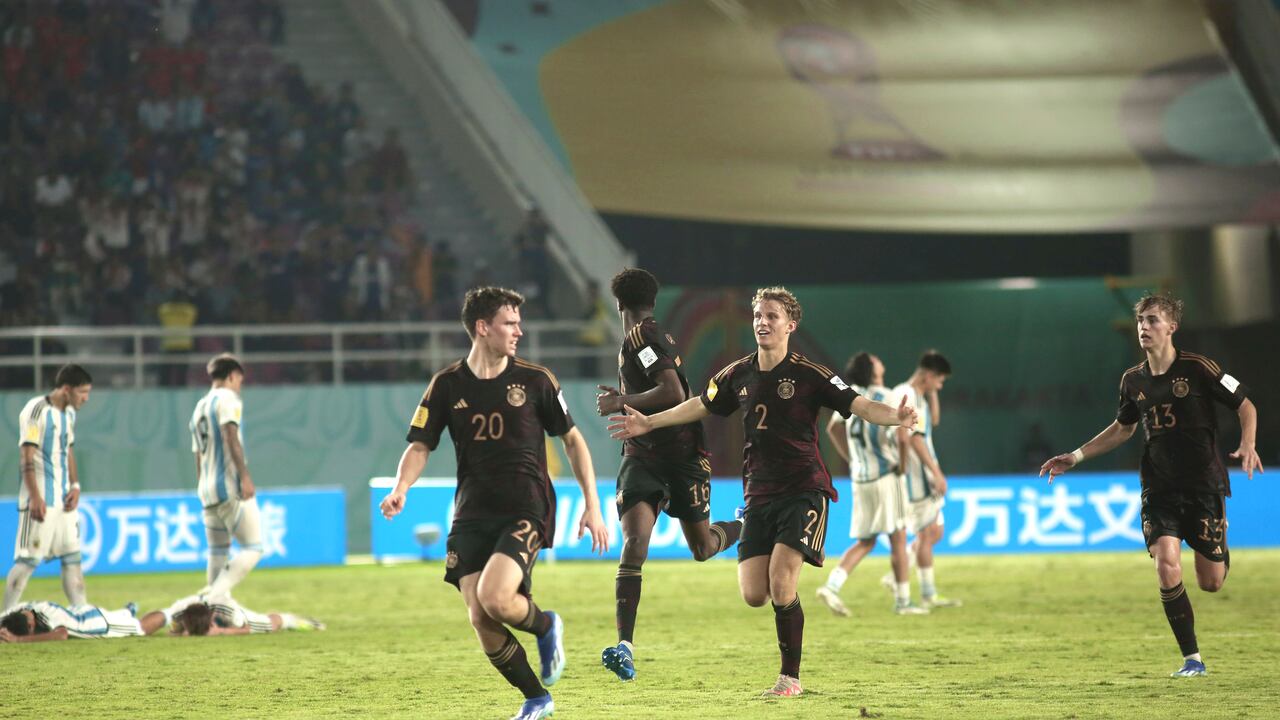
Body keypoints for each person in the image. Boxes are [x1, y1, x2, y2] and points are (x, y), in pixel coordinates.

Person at [609, 287, 916, 698]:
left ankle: (790, 678)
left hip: (804, 489)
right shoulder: (739, 373)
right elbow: (700, 403)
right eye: (758, 315)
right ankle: (753, 553)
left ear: (790, 325)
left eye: (771, 316)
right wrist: (651, 423)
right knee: (755, 594)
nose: (762, 322)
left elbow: (859, 405)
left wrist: (896, 417)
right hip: (758, 494)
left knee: (782, 582)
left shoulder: (812, 374)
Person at [379, 287, 610, 720]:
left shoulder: (537, 380)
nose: (519, 331)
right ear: (482, 328)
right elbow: (420, 445)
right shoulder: (446, 385)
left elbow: (573, 440)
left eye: (519, 323)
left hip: (526, 506)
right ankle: (537, 699)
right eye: (510, 323)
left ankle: (545, 625)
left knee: (495, 597)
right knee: (480, 618)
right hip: (470, 513)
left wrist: (591, 503)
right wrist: (401, 487)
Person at [1040, 293, 1262, 678]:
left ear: (1172, 327)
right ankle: (1192, 659)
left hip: (1205, 485)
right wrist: (1075, 456)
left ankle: (1219, 550)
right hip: (1158, 488)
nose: (1144, 326)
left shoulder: (1199, 368)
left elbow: (1245, 405)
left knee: (1211, 583)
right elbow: (1123, 429)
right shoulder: (1132, 380)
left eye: (1153, 320)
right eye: (1141, 320)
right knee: (1166, 566)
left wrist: (1248, 443)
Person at [594, 268, 744, 682]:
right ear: (653, 301)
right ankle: (625, 645)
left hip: (681, 457)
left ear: (619, 304)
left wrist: (621, 400)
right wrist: (625, 400)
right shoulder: (642, 336)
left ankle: (742, 525)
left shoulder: (642, 337)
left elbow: (675, 393)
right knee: (634, 542)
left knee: (701, 547)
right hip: (643, 456)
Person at [816, 352, 927, 617]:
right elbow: (901, 438)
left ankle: (832, 586)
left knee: (866, 541)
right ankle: (903, 602)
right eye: (877, 360)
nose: (882, 361)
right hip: (887, 476)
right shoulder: (887, 396)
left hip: (861, 478)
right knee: (899, 537)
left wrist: (851, 459)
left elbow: (832, 429)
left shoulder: (849, 395)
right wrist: (901, 465)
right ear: (873, 369)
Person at [4, 364, 93, 612]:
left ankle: (82, 612)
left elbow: (69, 450)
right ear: (66, 389)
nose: (86, 398)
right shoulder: (36, 411)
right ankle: (5, 617)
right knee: (28, 560)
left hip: (64, 499)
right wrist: (34, 497)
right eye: (82, 392)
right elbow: (26, 455)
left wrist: (75, 485)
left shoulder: (70, 415)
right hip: (42, 498)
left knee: (72, 559)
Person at [885, 350, 961, 609]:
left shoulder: (919, 395)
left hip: (923, 473)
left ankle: (900, 574)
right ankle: (926, 593)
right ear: (929, 375)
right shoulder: (903, 393)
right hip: (917, 477)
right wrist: (935, 473)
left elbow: (933, 422)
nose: (939, 386)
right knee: (928, 532)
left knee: (933, 531)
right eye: (939, 381)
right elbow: (913, 438)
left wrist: (932, 392)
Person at [189, 353, 262, 601]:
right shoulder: (228, 399)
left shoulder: (199, 407)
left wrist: (201, 485)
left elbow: (198, 454)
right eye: (239, 380)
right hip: (228, 486)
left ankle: (216, 612)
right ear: (232, 376)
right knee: (253, 547)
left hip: (207, 490)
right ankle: (210, 599)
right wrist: (244, 476)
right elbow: (230, 436)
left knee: (217, 551)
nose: (239, 385)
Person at [0, 600, 166, 642]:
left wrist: (19, 639)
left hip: (97, 623)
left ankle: (171, 613)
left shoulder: (51, 619)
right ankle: (126, 610)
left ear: (30, 625)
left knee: (140, 627)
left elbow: (62, 635)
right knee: (121, 615)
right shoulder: (20, 609)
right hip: (78, 610)